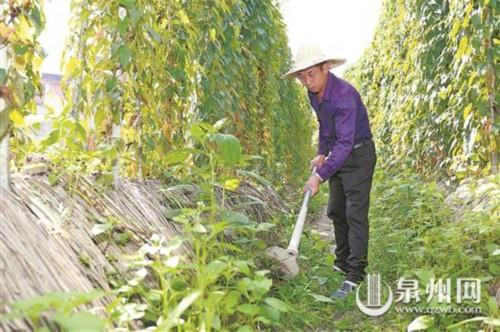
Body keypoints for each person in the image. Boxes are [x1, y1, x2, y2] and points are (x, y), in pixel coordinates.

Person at [282, 45, 377, 300]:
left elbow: (345, 143)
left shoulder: (344, 95)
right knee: (336, 209)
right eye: (302, 76)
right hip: (339, 155)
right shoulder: (314, 94)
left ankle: (355, 274)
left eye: (311, 74)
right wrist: (322, 151)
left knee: (354, 213)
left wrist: (319, 175)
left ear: (327, 68)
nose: (307, 81)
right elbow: (325, 127)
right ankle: (342, 260)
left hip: (358, 155)